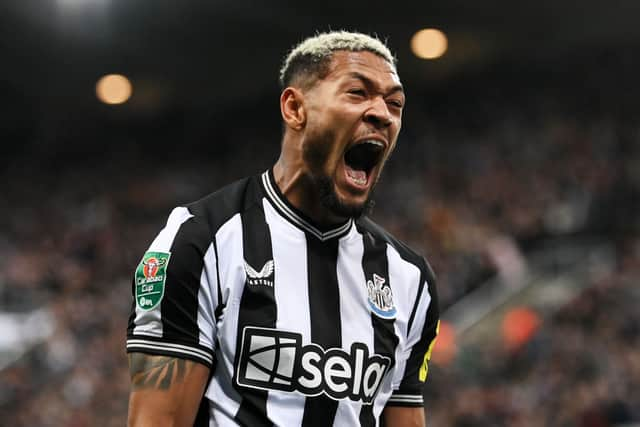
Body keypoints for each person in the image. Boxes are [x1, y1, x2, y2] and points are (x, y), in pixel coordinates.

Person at [126, 30, 439, 427]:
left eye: (394, 103)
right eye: (357, 93)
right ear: (295, 108)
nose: (382, 113)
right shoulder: (200, 241)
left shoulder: (410, 279)